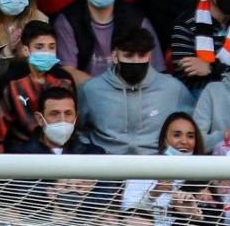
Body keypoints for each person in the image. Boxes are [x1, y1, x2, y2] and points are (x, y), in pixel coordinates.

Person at [79, 25, 193, 154]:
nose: (135, 61)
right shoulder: (91, 89)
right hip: (107, 167)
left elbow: (194, 130)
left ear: (150, 57)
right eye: (128, 55)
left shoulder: (172, 88)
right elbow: (78, 130)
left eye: (142, 55)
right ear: (115, 56)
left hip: (157, 167)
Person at [55, 0, 164, 79]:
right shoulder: (68, 20)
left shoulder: (137, 20)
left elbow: (156, 70)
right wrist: (105, 91)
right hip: (86, 93)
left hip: (133, 91)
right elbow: (67, 70)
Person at [0, 19, 76, 153]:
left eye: (51, 47)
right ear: (26, 50)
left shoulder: (65, 80)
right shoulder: (11, 82)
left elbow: (74, 123)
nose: (47, 52)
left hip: (61, 151)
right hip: (21, 153)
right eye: (39, 47)